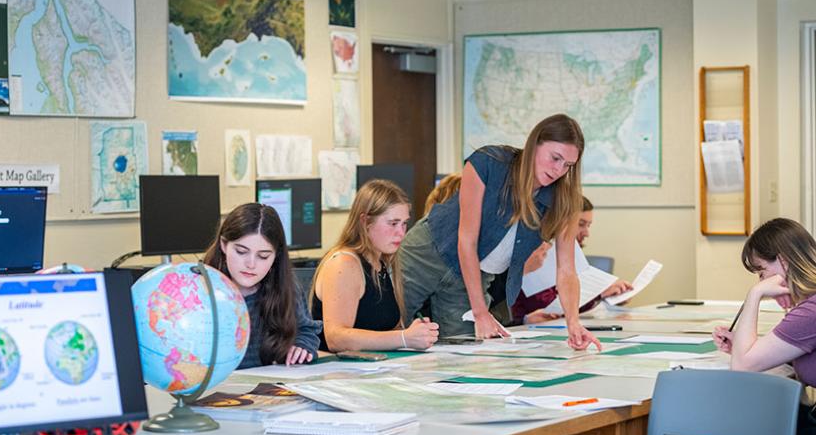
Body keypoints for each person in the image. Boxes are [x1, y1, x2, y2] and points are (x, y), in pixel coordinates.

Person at [399, 113, 600, 350]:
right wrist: (480, 312)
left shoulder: (563, 200)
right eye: (555, 158)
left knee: (467, 349)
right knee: (392, 327)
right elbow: (467, 241)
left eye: (568, 165)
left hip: (473, 276)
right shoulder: (487, 163)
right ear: (534, 145)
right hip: (427, 253)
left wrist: (573, 322)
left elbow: (566, 271)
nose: (558, 170)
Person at [712, 217, 816, 435]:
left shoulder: (810, 311)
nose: (761, 279)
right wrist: (744, 347)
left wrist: (755, 294)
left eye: (760, 271)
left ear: (784, 261)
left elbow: (742, 367)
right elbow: (791, 356)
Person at [311, 179, 439, 352]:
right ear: (365, 222)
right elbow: (336, 339)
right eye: (393, 223)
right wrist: (403, 337)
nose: (401, 233)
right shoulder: (344, 263)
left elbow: (386, 331)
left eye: (404, 223)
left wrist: (414, 333)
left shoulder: (383, 263)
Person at [203, 202, 320, 369]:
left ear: (276, 255)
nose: (251, 264)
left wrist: (302, 345)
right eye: (241, 252)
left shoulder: (286, 286)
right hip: (212, 387)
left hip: (267, 388)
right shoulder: (198, 290)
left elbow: (306, 330)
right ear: (223, 245)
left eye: (263, 256)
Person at [513, 196, 632, 324]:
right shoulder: (538, 252)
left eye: (588, 226)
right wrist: (598, 294)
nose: (586, 233)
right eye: (580, 224)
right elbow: (545, 303)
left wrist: (605, 297)